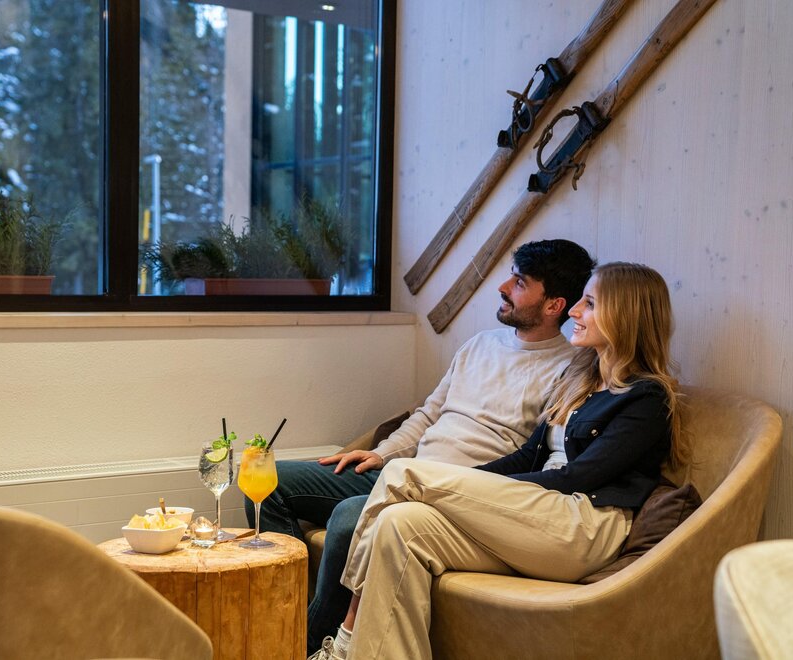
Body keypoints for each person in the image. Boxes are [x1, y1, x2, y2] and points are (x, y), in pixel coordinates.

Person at [313, 262, 687, 660]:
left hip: (583, 526)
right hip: (538, 517)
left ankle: (344, 640)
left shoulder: (646, 399)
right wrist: (470, 486)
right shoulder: (582, 378)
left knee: (402, 473)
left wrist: (468, 490)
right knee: (399, 525)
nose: (575, 311)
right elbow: (527, 456)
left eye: (590, 304)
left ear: (626, 316)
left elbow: (580, 476)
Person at [244, 239, 596, 653]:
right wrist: (381, 452)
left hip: (446, 494)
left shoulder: (568, 370)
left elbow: (537, 459)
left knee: (348, 517)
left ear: (554, 305)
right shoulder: (479, 345)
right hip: (399, 472)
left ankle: (301, 645)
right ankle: (281, 616)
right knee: (267, 481)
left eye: (519, 283)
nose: (503, 288)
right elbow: (429, 414)